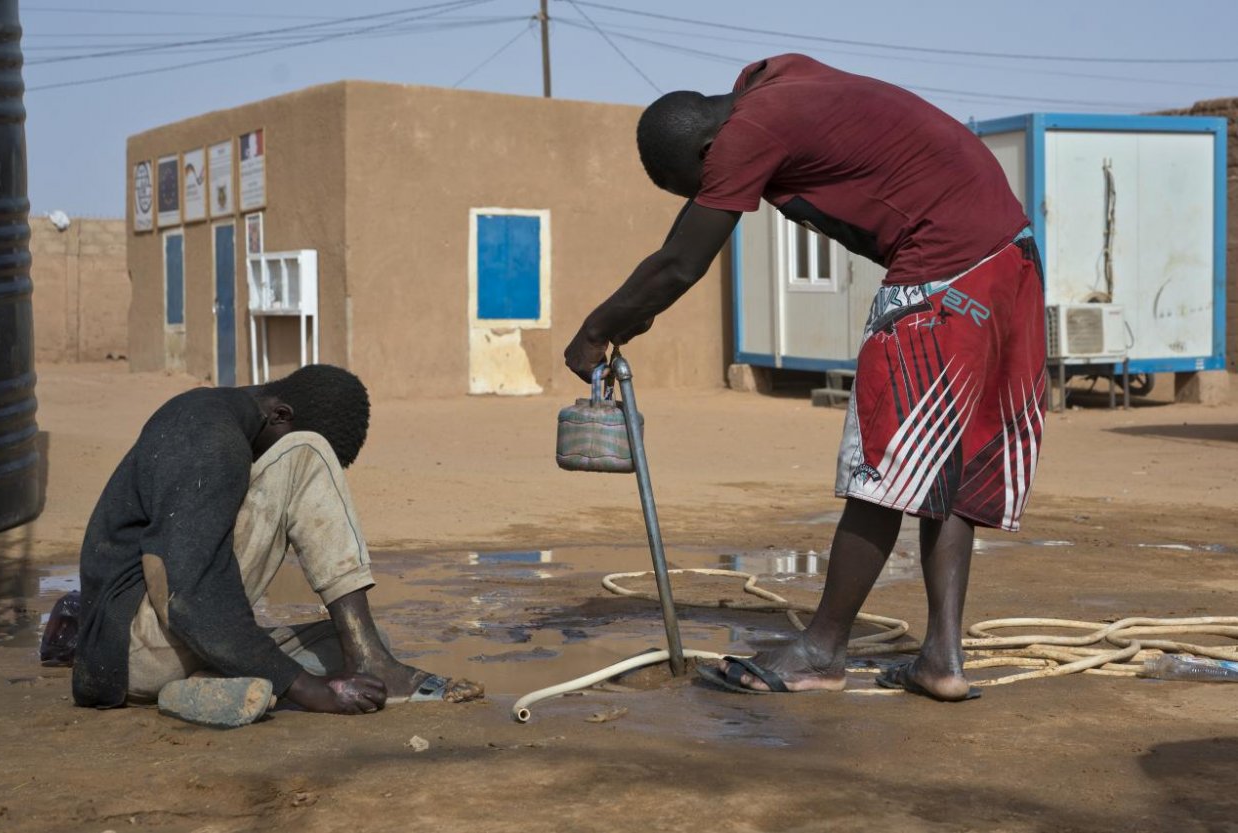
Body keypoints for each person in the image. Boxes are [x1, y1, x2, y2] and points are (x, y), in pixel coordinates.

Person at [564, 54, 1046, 701]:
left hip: (945, 265)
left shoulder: (747, 132)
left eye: (701, 182)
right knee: (945, 470)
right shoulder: (773, 85)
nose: (719, 193)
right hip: (1010, 256)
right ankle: (942, 657)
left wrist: (598, 329)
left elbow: (682, 260)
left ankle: (820, 649)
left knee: (882, 467)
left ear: (710, 147)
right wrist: (638, 313)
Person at [73, 363, 482, 718]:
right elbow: (187, 594)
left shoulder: (213, 421)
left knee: (350, 648)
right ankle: (366, 661)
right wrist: (308, 690)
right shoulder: (210, 438)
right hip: (134, 651)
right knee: (308, 452)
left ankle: (205, 686)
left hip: (152, 647)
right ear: (280, 414)